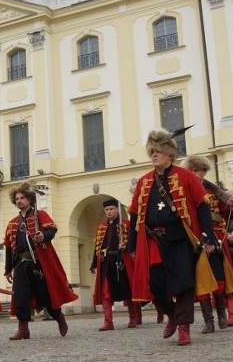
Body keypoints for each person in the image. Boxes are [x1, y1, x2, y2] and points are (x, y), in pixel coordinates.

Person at [126, 129, 218, 346]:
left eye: (158, 151)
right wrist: (132, 243)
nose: (154, 155)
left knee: (184, 283)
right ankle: (172, 315)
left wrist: (208, 236)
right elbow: (134, 214)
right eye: (152, 151)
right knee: (155, 285)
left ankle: (184, 328)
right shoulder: (144, 181)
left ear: (169, 154)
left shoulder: (185, 176)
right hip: (154, 241)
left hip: (180, 238)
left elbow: (202, 206)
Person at [3, 182, 77, 340]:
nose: (19, 201)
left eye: (22, 198)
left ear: (29, 199)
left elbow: (52, 230)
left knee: (46, 296)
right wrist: (8, 269)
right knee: (20, 297)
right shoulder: (12, 223)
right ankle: (23, 329)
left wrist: (43, 236)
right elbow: (9, 248)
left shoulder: (40, 215)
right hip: (21, 264)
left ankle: (59, 317)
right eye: (17, 199)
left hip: (39, 263)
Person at [182, 155, 233, 333]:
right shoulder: (185, 190)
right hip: (195, 238)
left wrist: (232, 204)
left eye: (202, 171)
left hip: (215, 237)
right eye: (195, 170)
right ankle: (208, 320)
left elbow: (227, 213)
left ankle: (222, 313)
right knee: (200, 281)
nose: (199, 174)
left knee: (219, 279)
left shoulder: (214, 191)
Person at [90, 198, 138, 330]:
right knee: (105, 292)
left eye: (112, 209)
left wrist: (126, 245)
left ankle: (133, 317)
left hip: (121, 260)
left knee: (127, 289)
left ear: (117, 209)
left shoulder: (126, 224)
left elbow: (134, 243)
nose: (109, 212)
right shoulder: (101, 227)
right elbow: (97, 247)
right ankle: (108, 321)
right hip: (106, 262)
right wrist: (94, 264)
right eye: (107, 209)